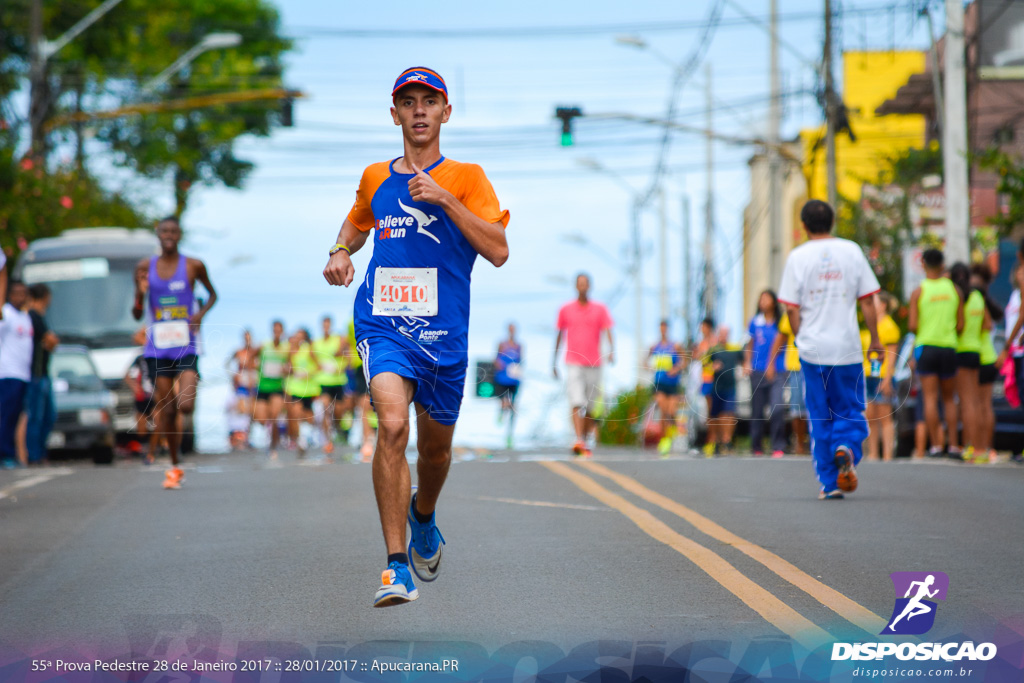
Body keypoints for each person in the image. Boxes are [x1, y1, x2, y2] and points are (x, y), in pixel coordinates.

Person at [322, 66, 509, 607]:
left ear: (446, 113)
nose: (420, 110)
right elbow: (357, 222)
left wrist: (446, 201)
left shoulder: (468, 177)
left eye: (430, 101)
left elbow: (497, 250)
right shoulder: (376, 175)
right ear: (396, 114)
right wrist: (338, 251)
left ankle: (423, 514)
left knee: (435, 454)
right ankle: (396, 566)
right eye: (409, 102)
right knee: (394, 425)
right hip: (385, 322)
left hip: (445, 334)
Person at [777, 200, 881, 500]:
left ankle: (829, 482)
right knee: (849, 407)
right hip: (847, 347)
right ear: (832, 222)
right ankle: (846, 447)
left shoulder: (798, 257)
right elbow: (868, 300)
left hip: (813, 351)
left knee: (819, 414)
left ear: (804, 226)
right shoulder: (851, 250)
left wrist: (801, 338)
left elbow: (791, 309)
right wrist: (874, 338)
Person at [132, 216, 217, 489]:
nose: (168, 235)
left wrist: (200, 314)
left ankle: (174, 458)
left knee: (185, 404)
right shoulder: (145, 266)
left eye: (173, 231)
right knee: (166, 410)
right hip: (157, 348)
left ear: (179, 235)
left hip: (185, 345)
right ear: (157, 234)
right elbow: (136, 312)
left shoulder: (193, 265)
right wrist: (140, 291)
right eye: (164, 231)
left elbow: (214, 294)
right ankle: (174, 463)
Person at [908, 249, 963, 459]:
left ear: (923, 264)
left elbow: (912, 325)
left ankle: (937, 445)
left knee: (930, 398)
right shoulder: (954, 290)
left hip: (927, 346)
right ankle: (955, 446)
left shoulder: (919, 292)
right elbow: (961, 324)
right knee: (950, 398)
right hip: (948, 346)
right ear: (942, 264)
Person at [553, 273, 614, 458]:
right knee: (576, 400)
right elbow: (559, 334)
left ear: (589, 286)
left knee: (590, 405)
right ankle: (578, 438)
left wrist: (612, 350)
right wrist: (553, 361)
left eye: (585, 284)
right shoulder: (565, 310)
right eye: (580, 284)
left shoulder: (600, 309)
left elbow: (608, 329)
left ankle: (585, 439)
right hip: (573, 361)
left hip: (594, 362)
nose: (582, 287)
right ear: (575, 286)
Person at [949, 262, 988, 462]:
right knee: (976, 401)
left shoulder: (959, 297)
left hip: (962, 350)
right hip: (977, 350)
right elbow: (987, 324)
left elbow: (959, 326)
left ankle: (970, 447)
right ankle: (981, 447)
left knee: (966, 403)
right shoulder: (978, 297)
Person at [743, 290, 786, 457]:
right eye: (761, 298)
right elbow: (750, 344)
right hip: (757, 369)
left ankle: (778, 445)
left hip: (778, 370)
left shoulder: (781, 323)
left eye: (767, 298)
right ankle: (757, 446)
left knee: (777, 407)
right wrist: (747, 362)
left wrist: (773, 365)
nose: (763, 301)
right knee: (757, 410)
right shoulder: (755, 322)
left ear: (774, 302)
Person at [860, 292, 901, 462]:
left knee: (884, 416)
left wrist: (887, 379)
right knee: (870, 415)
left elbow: (891, 355)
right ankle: (873, 453)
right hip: (868, 375)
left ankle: (887, 455)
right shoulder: (869, 326)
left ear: (883, 305)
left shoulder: (889, 326)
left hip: (882, 375)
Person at [23, 284, 59, 466]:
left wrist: (50, 341)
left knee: (49, 416)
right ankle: (34, 455)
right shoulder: (33, 316)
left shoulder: (40, 317)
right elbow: (51, 341)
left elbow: (52, 341)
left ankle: (39, 452)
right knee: (36, 417)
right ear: (45, 296)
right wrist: (50, 341)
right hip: (36, 374)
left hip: (44, 373)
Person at [971, 263, 1003, 464]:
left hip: (978, 356)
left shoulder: (974, 299)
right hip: (989, 356)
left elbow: (987, 325)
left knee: (977, 405)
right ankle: (987, 447)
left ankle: (980, 447)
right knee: (986, 405)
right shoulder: (987, 301)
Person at [0, 281, 33, 468]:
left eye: (24, 293)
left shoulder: (24, 316)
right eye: (17, 293)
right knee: (6, 415)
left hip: (23, 374)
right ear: (10, 294)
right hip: (8, 373)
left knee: (16, 417)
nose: (21, 297)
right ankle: (5, 454)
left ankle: (11, 453)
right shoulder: (5, 314)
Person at [769, 311, 808, 454]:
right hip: (796, 366)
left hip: (818, 365)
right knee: (797, 408)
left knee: (817, 408)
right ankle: (799, 443)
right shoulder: (791, 313)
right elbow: (780, 339)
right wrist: (771, 363)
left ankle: (817, 442)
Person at [648, 320, 686, 456]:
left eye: (665, 328)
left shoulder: (675, 346)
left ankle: (671, 435)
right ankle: (664, 439)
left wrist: (676, 369)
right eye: (661, 328)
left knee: (671, 411)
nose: (663, 330)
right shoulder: (654, 346)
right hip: (660, 383)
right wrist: (649, 367)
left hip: (673, 384)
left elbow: (684, 361)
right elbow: (646, 361)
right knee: (663, 410)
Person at [312, 315, 348, 457]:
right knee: (325, 409)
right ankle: (327, 441)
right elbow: (312, 357)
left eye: (328, 325)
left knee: (338, 412)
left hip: (338, 380)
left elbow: (346, 351)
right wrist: (319, 366)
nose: (326, 327)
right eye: (324, 325)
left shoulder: (338, 339)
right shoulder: (317, 343)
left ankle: (338, 428)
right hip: (323, 381)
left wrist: (342, 361)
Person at [254, 320, 289, 458]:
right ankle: (271, 439)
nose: (277, 333)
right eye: (275, 330)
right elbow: (251, 358)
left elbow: (291, 365)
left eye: (279, 330)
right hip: (263, 387)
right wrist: (254, 367)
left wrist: (287, 370)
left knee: (274, 417)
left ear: (282, 332)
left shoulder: (286, 348)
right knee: (262, 419)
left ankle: (273, 445)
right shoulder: (264, 346)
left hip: (277, 387)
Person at [284, 328, 320, 456]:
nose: (298, 338)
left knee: (308, 417)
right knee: (296, 414)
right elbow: (289, 368)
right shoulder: (291, 351)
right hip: (295, 388)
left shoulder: (308, 350)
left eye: (300, 336)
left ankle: (308, 437)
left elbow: (318, 367)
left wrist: (307, 374)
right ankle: (301, 441)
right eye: (296, 335)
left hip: (309, 389)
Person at [124, 328, 157, 462]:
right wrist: (134, 387)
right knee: (142, 429)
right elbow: (126, 375)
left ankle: (153, 451)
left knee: (158, 423)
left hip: (156, 396)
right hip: (142, 397)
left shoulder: (160, 356)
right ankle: (145, 449)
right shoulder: (140, 358)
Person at [707, 327, 738, 455]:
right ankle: (718, 441)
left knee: (729, 413)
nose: (724, 336)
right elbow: (703, 363)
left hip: (730, 386)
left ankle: (727, 440)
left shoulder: (734, 349)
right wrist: (712, 366)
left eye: (726, 333)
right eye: (722, 333)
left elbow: (745, 358)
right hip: (716, 387)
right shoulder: (713, 349)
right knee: (717, 415)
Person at [493, 322, 523, 449]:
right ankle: (501, 411)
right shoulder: (502, 344)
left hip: (514, 379)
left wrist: (518, 370)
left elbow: (521, 361)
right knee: (504, 401)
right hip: (501, 378)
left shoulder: (519, 346)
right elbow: (495, 359)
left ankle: (510, 433)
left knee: (513, 406)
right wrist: (498, 365)